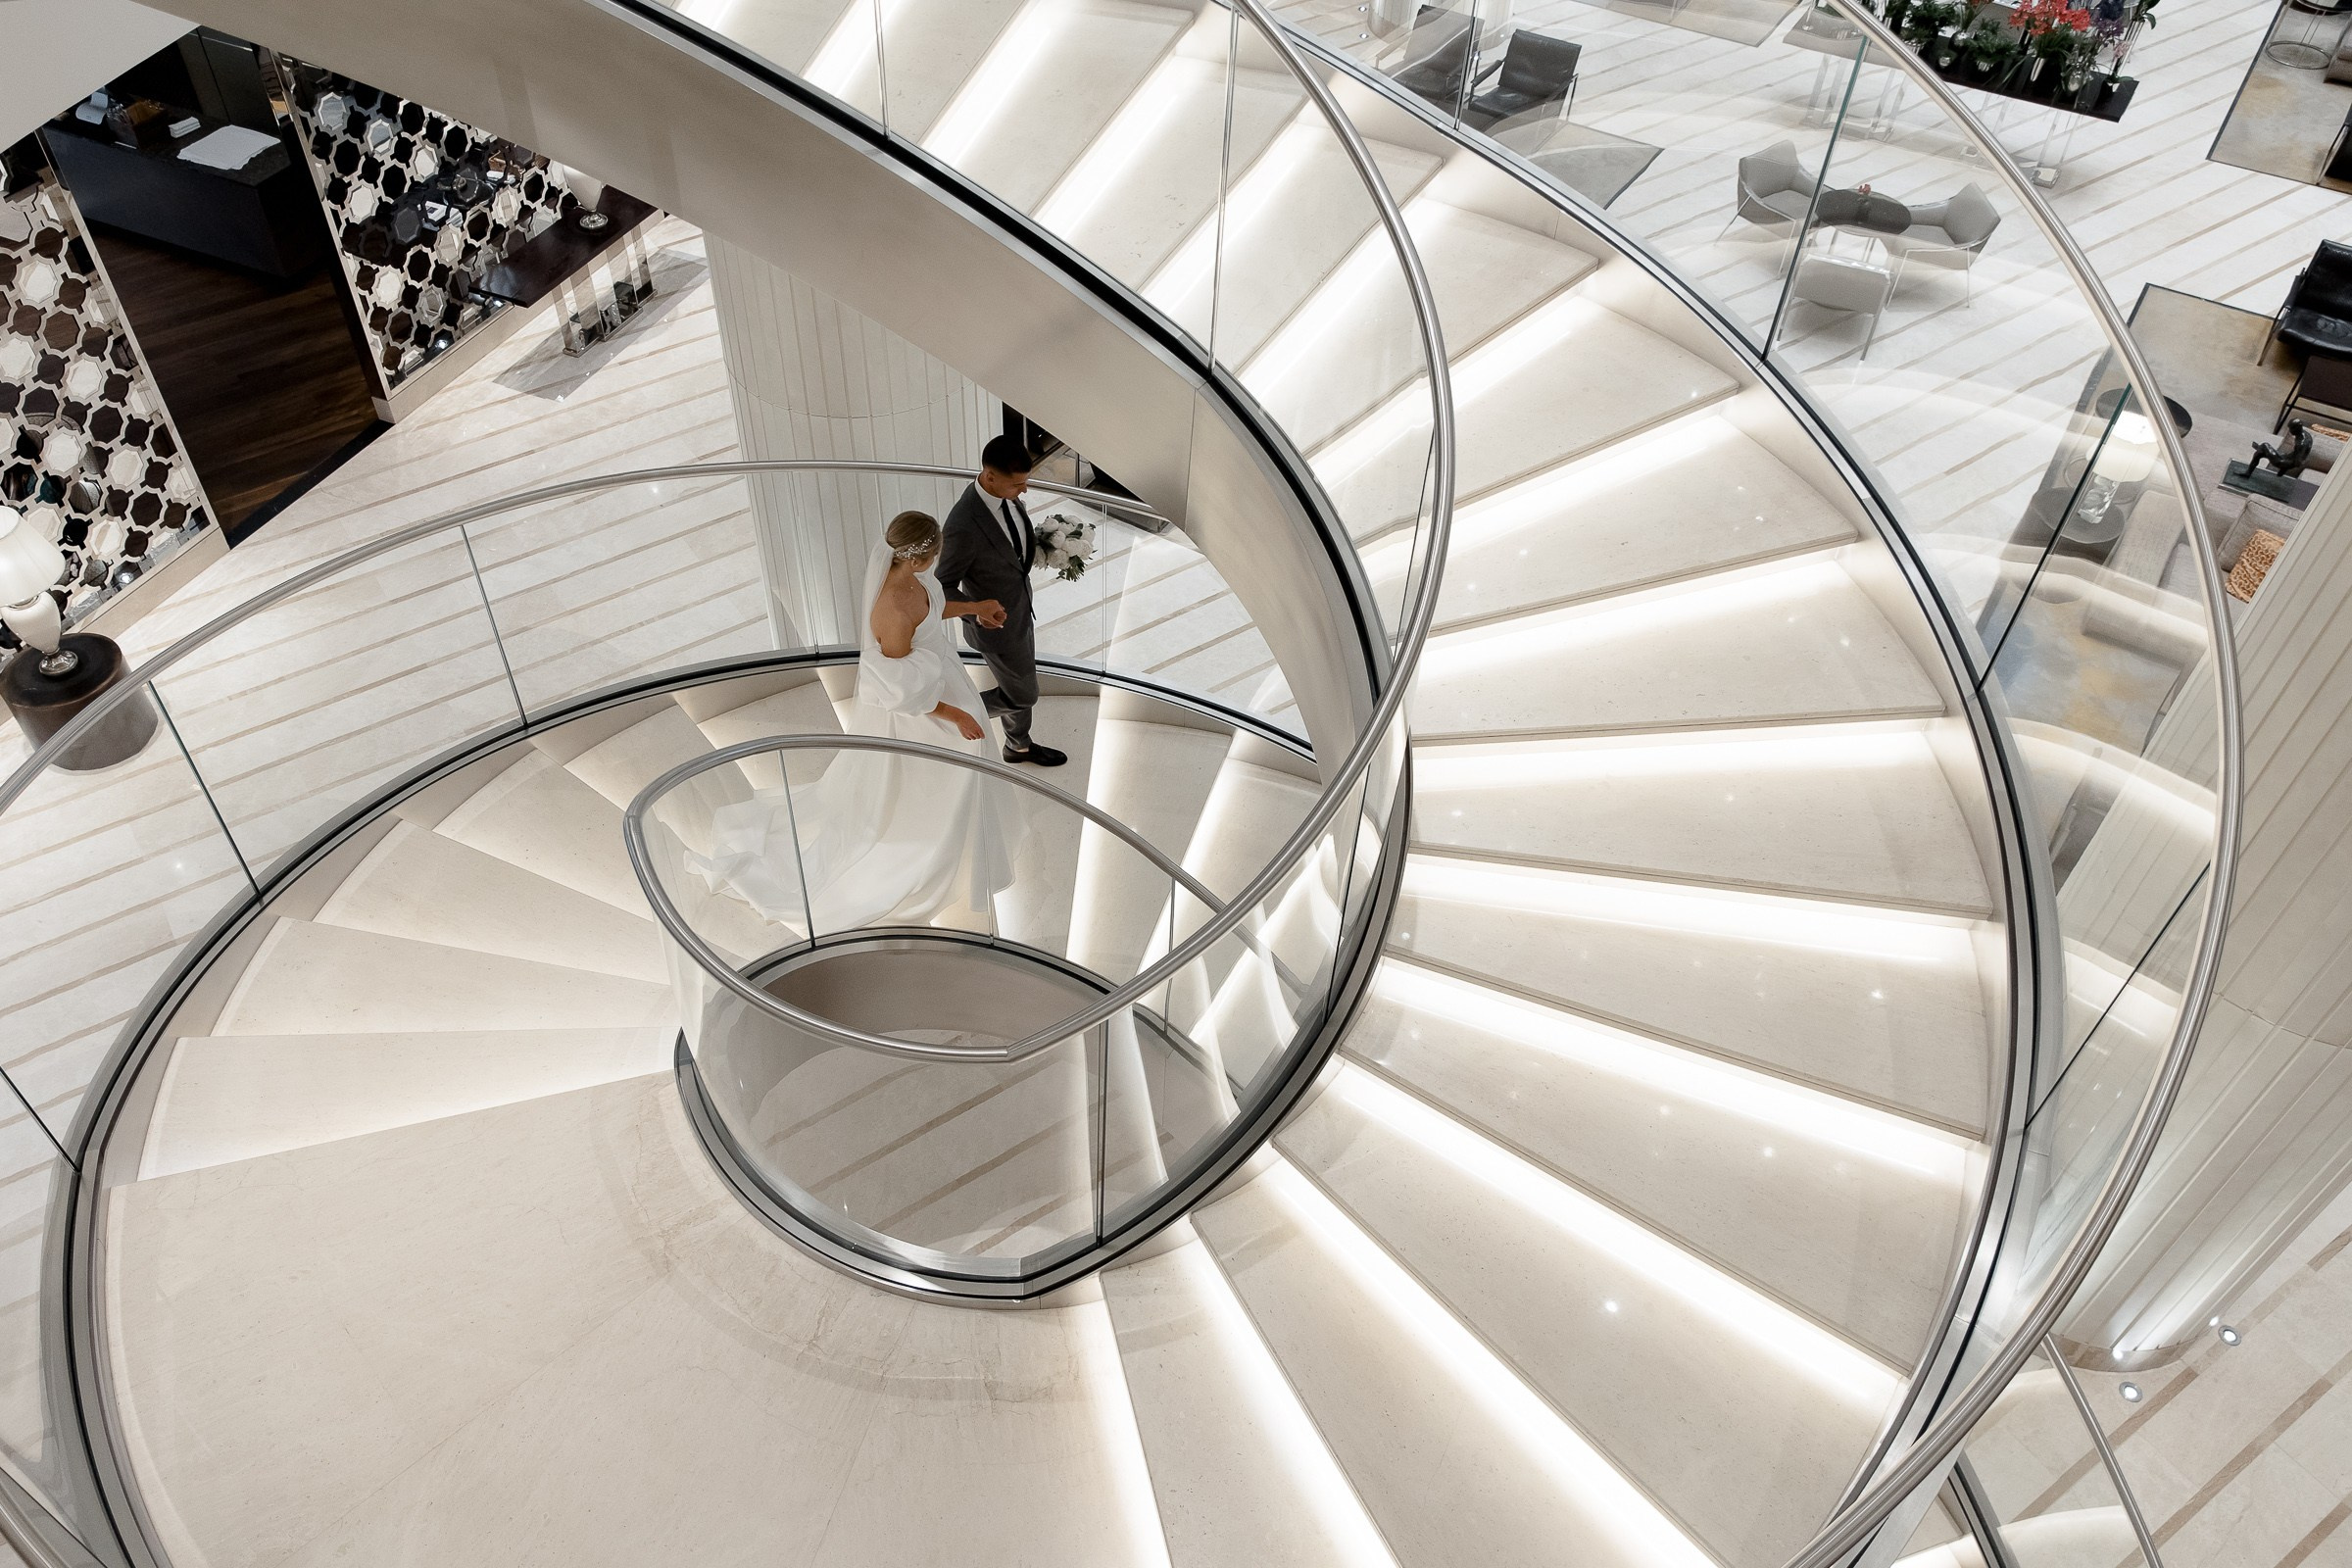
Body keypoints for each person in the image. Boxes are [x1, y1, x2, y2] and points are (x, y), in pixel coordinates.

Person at [688, 511, 1023, 930]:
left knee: (964, 770)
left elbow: (932, 610)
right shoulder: (892, 611)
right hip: (921, 709)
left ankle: (967, 844)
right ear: (922, 557)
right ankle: (933, 848)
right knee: (949, 771)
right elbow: (901, 688)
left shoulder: (916, 581)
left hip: (941, 682)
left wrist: (974, 608)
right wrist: (953, 714)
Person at [938, 433, 1068, 766]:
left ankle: (1018, 746)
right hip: (995, 628)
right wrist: (975, 612)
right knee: (1024, 694)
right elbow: (942, 587)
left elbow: (1010, 546)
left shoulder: (1006, 497)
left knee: (1020, 686)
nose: (1024, 491)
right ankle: (948, 717)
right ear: (990, 476)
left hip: (1022, 612)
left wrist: (1046, 546)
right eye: (1018, 485)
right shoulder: (963, 525)